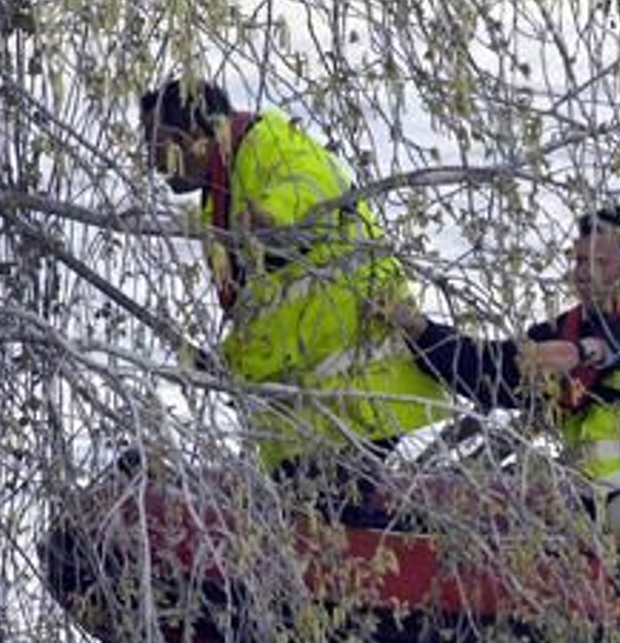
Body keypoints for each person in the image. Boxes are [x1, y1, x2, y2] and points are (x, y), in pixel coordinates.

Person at [138, 77, 450, 479]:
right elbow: (264, 306)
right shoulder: (221, 190)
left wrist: (273, 219)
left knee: (324, 517)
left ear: (191, 134)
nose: (151, 160)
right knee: (307, 517)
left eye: (154, 144)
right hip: (314, 410)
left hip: (355, 392)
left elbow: (305, 190)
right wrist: (225, 364)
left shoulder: (271, 143)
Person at [381, 206, 620, 537]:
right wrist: (420, 331)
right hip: (609, 505)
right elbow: (492, 370)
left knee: (619, 518)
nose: (582, 274)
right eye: (578, 260)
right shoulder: (568, 330)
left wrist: (589, 351)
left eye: (598, 262)